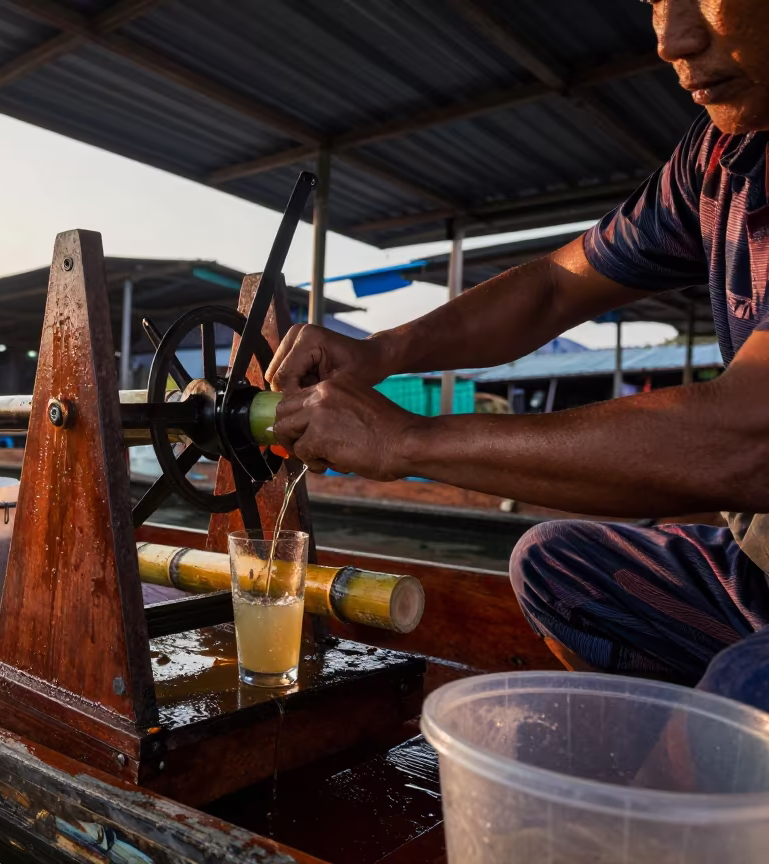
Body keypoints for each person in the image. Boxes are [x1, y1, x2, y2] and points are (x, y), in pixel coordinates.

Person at [270, 0, 769, 711]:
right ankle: (673, 762)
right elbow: (552, 291)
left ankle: (685, 792)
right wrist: (380, 352)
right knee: (554, 566)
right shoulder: (721, 157)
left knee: (746, 688)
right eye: (655, 0)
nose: (671, 37)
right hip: (760, 569)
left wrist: (410, 438)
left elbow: (749, 440)